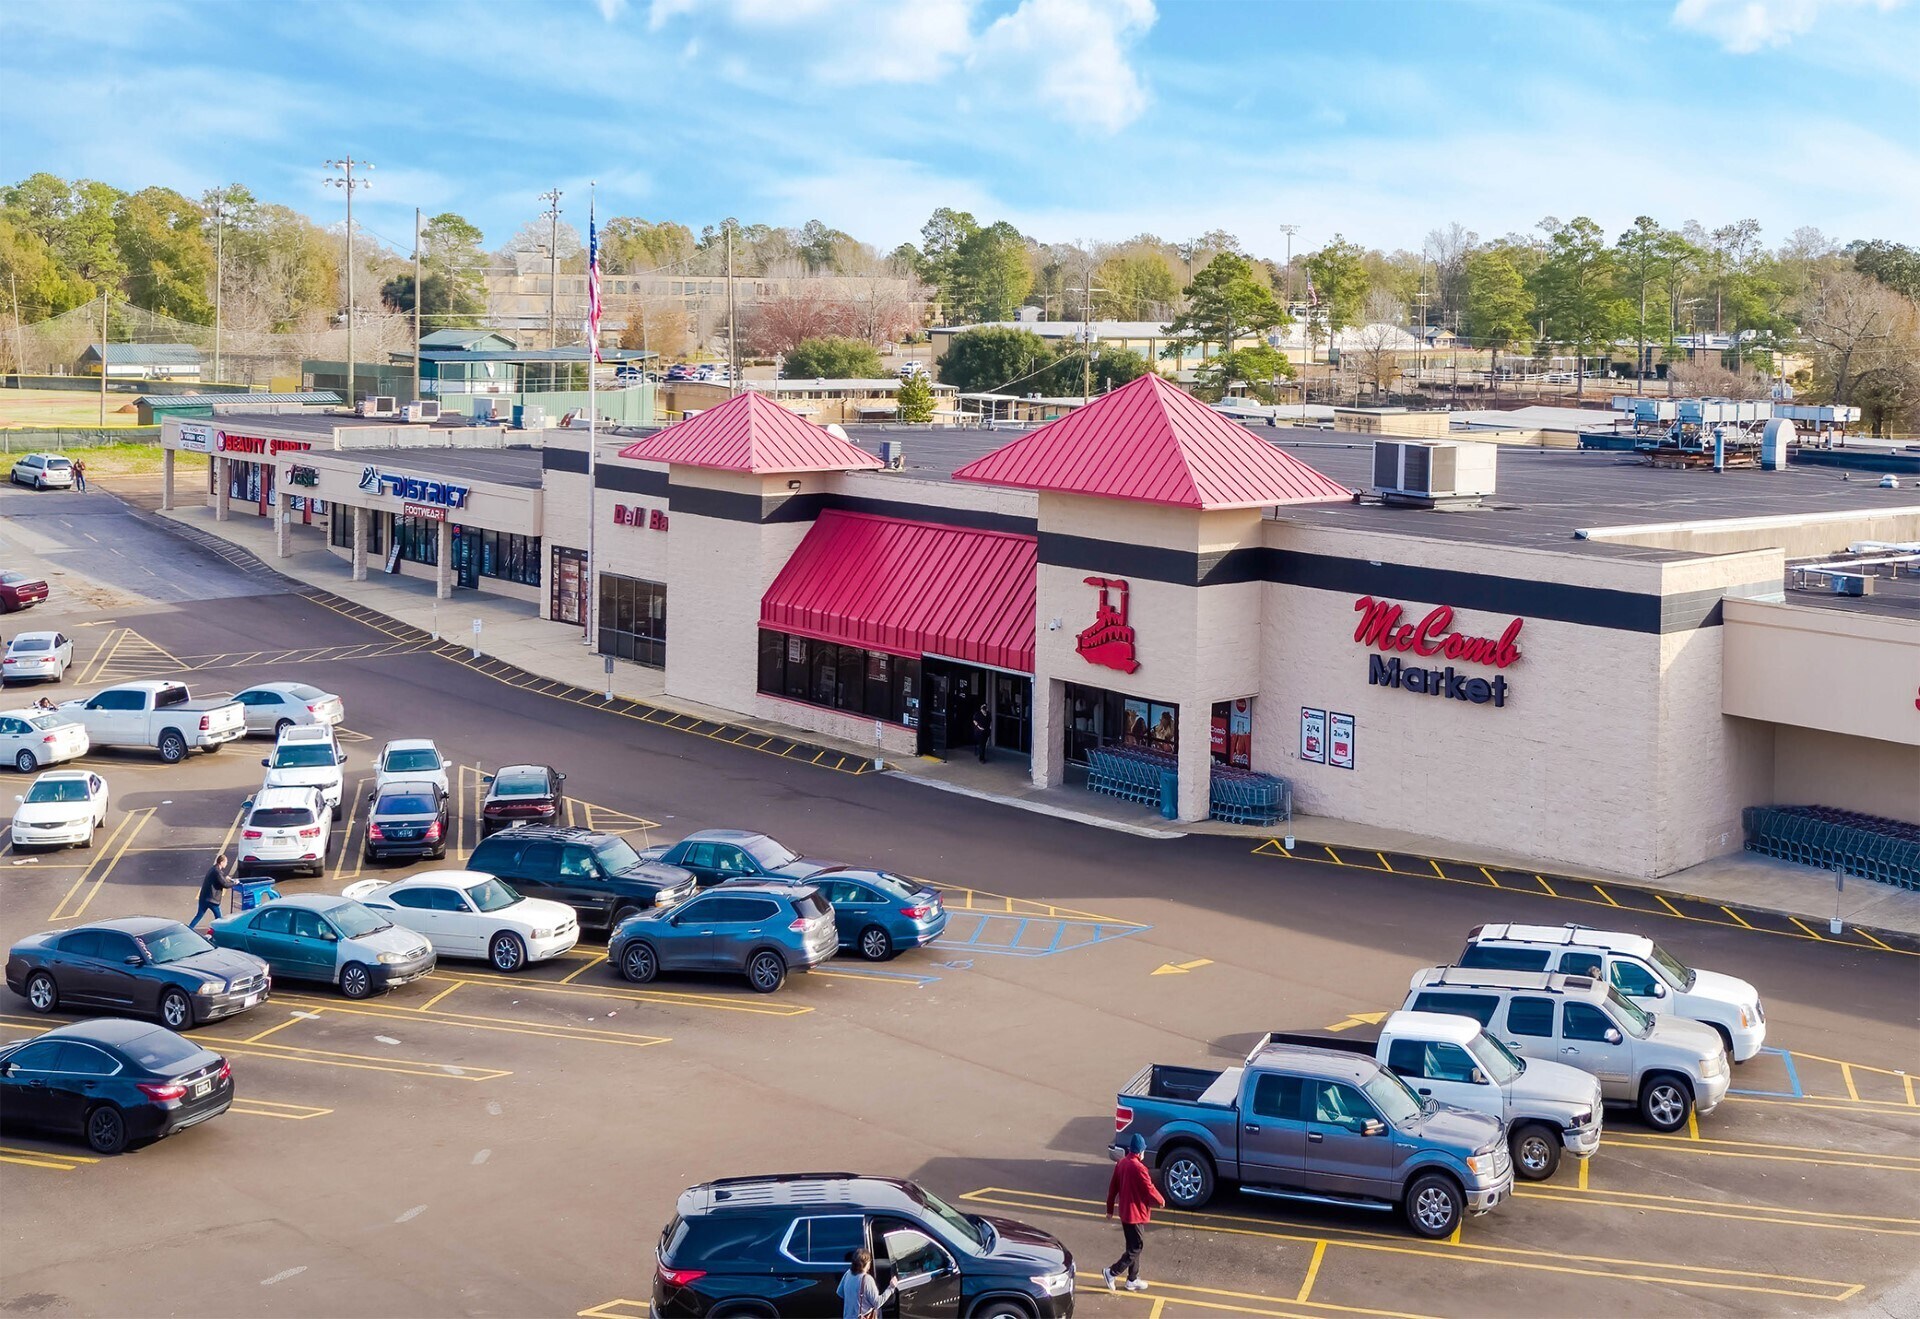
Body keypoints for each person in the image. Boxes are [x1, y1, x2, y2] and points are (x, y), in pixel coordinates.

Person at [1104, 1132, 1165, 1292]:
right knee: (1136, 1247)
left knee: (1132, 1247)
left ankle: (1132, 1279)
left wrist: (1110, 1209)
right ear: (1140, 1152)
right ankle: (1112, 1272)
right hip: (1135, 1214)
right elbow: (1149, 1187)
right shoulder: (1140, 1168)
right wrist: (1160, 1199)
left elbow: (1113, 1189)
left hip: (1125, 1213)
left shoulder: (1122, 1163)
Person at [837, 1248, 890, 1319]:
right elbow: (877, 1303)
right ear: (867, 1263)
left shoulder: (848, 1273)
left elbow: (840, 1292)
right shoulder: (867, 1279)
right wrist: (891, 1288)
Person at [191, 853, 235, 931]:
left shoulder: (213, 869)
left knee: (199, 915)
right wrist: (234, 883)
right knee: (219, 918)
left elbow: (219, 879)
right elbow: (224, 884)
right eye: (226, 862)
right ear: (221, 862)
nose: (226, 864)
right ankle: (218, 931)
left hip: (204, 898)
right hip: (211, 900)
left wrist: (225, 878)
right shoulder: (217, 872)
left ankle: (190, 928)